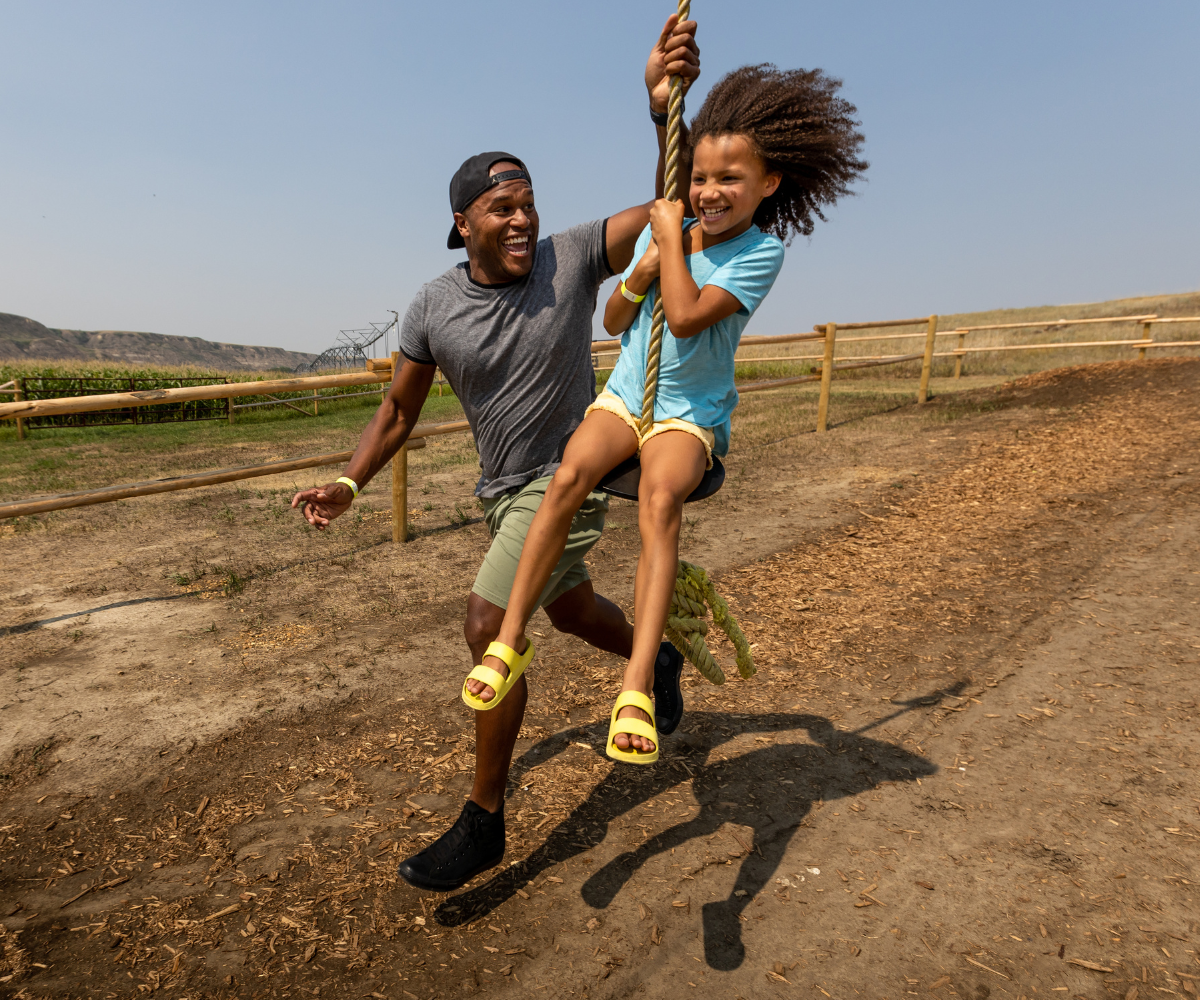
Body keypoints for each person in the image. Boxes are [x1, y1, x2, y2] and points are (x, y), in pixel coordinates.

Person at [290, 16, 701, 891]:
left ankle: (483, 821)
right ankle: (655, 655)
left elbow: (675, 200)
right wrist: (348, 480)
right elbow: (398, 413)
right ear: (462, 222)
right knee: (564, 609)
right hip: (500, 489)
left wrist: (663, 108)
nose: (522, 220)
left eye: (528, 203)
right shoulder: (433, 306)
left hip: (568, 479)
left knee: (488, 629)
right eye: (501, 208)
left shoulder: (574, 256)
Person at [471, 64, 868, 763]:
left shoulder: (758, 252)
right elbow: (619, 313)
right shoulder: (673, 225)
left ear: (768, 184)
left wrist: (672, 248)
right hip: (629, 394)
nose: (710, 192)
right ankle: (506, 644)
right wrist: (646, 265)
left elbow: (683, 321)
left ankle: (636, 686)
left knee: (659, 502)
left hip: (689, 411)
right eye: (702, 178)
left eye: (731, 180)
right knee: (566, 480)